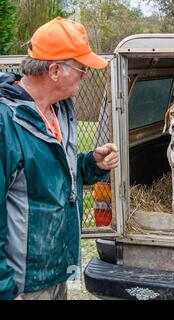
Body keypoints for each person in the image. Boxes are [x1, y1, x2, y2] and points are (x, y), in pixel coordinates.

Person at [0, 17, 119, 300]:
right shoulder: (6, 121)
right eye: (81, 68)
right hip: (23, 285)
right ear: (54, 70)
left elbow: (51, 174)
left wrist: (91, 164)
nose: (86, 74)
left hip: (56, 272)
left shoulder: (61, 110)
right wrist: (4, 289)